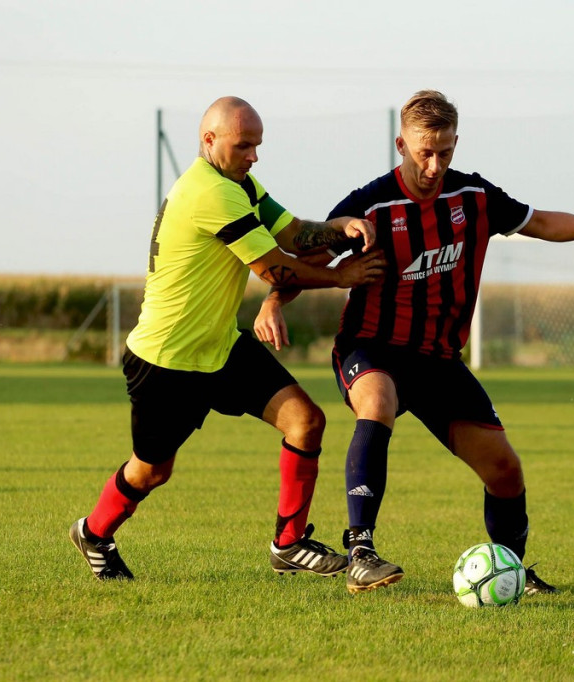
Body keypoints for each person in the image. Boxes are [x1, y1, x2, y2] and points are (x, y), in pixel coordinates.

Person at [255, 89, 574, 595]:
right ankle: (361, 549)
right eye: (424, 153)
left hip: (438, 359)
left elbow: (537, 221)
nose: (435, 165)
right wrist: (273, 302)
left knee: (505, 469)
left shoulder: (473, 197)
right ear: (401, 144)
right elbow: (315, 261)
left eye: (446, 152)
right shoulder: (369, 205)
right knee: (378, 401)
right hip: (370, 346)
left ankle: (510, 568)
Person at [69, 96, 387, 581]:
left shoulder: (240, 184)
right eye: (244, 146)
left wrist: (336, 229)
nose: (254, 156)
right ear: (209, 140)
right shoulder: (207, 193)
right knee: (152, 471)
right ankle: (93, 532)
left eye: (258, 146)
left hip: (220, 346)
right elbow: (273, 268)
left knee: (305, 421)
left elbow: (295, 234)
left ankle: (289, 542)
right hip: (167, 359)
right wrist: (344, 277)